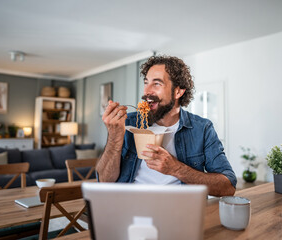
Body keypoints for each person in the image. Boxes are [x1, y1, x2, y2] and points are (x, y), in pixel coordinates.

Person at [96, 55, 236, 197]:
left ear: (178, 92)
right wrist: (114, 138)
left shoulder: (202, 128)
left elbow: (228, 187)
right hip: (131, 207)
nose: (147, 91)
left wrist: (176, 169)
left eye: (156, 84)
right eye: (146, 82)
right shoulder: (126, 123)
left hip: (180, 210)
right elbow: (104, 181)